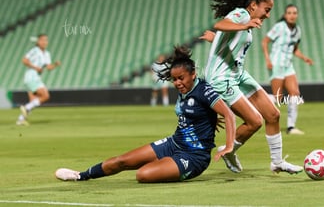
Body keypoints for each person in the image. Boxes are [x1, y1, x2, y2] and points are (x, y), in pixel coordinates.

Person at [55, 46, 236, 183]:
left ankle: (169, 164)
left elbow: (229, 115)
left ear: (193, 74)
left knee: (142, 175)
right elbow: (198, 113)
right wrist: (209, 118)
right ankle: (80, 176)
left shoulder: (203, 90)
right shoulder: (186, 90)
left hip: (194, 157)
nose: (178, 83)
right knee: (122, 161)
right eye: (174, 79)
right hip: (174, 143)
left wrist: (229, 146)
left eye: (181, 78)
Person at [200, 0, 302, 174]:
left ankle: (277, 162)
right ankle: (228, 150)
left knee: (273, 115)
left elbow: (226, 36)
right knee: (255, 121)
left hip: (237, 75)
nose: (268, 15)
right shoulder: (242, 14)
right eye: (267, 10)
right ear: (254, 5)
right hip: (222, 79)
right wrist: (244, 24)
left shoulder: (245, 22)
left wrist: (216, 39)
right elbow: (220, 24)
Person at [261, 4, 313, 135]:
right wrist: (268, 59)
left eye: (294, 13)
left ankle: (291, 127)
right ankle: (256, 97)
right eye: (289, 13)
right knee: (278, 98)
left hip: (288, 66)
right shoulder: (279, 27)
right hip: (276, 64)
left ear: (297, 15)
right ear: (285, 15)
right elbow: (265, 41)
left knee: (294, 93)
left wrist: (304, 58)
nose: (292, 15)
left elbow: (294, 49)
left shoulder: (297, 30)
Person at [16, 34, 60, 126]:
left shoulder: (47, 54)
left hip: (36, 77)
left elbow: (48, 67)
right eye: (42, 40)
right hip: (31, 76)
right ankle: (26, 107)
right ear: (38, 42)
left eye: (46, 40)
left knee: (34, 102)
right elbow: (24, 60)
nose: (44, 42)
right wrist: (35, 67)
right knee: (45, 96)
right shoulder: (34, 51)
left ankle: (20, 119)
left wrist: (55, 64)